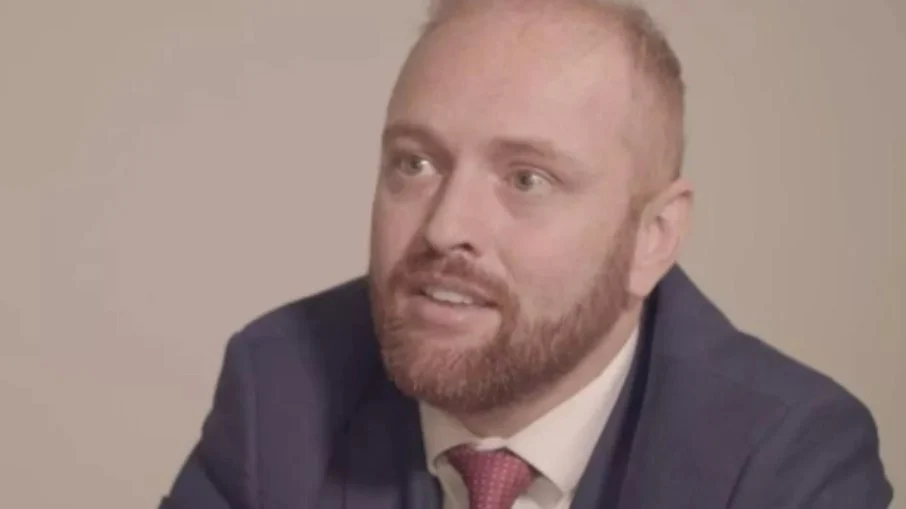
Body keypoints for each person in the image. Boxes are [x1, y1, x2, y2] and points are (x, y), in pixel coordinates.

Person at [160, 1, 893, 508]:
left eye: (527, 179)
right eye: (415, 163)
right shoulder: (280, 385)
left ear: (653, 237)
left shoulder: (783, 462)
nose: (445, 227)